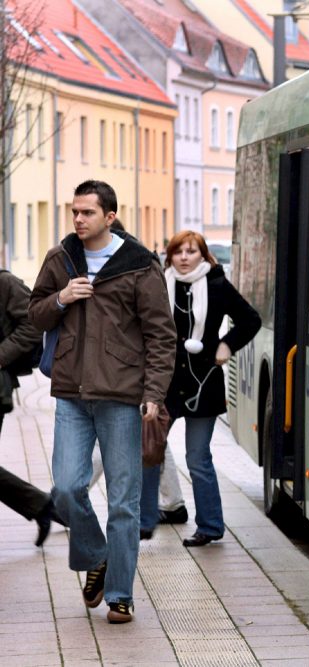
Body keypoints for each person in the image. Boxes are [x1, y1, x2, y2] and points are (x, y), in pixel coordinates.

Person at [29, 180, 176, 624]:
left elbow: (160, 334)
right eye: (74, 211)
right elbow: (34, 312)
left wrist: (154, 393)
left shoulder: (139, 266)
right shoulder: (61, 259)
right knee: (67, 488)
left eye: (87, 213)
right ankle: (97, 555)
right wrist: (61, 298)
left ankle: (119, 594)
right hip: (72, 393)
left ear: (110, 217)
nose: (78, 219)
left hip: (121, 396)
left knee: (124, 501)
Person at [139, 231, 260, 546]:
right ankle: (145, 518)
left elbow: (250, 320)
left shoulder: (217, 284)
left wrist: (227, 345)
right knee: (149, 450)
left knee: (197, 457)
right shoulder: (158, 284)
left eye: (191, 251)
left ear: (202, 255)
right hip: (164, 382)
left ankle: (209, 526)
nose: (183, 257)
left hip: (202, 383)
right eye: (177, 251)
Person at [88, 220, 189, 527]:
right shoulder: (141, 264)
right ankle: (173, 503)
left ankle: (64, 500)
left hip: (135, 374)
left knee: (119, 439)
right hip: (143, 373)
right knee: (153, 438)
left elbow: (155, 330)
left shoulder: (136, 267)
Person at [0, 268, 58, 546]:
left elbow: (34, 324)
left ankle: (41, 505)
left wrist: (1, 356)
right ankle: (40, 505)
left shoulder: (4, 282)